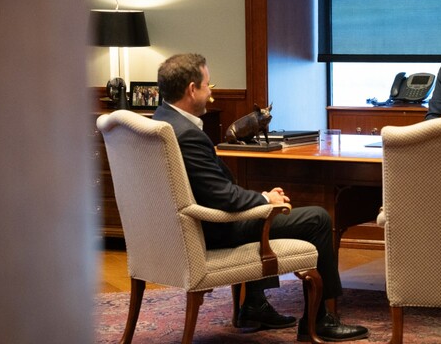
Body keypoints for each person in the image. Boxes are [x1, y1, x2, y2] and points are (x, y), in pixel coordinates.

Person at [152, 53, 369, 342]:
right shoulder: (186, 135)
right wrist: (266, 201)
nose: (211, 92)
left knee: (264, 206)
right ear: (192, 89)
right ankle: (319, 321)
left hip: (182, 228)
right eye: (207, 85)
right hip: (213, 229)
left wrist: (262, 197)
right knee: (317, 218)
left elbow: (213, 189)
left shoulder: (160, 122)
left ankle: (254, 306)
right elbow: (222, 197)